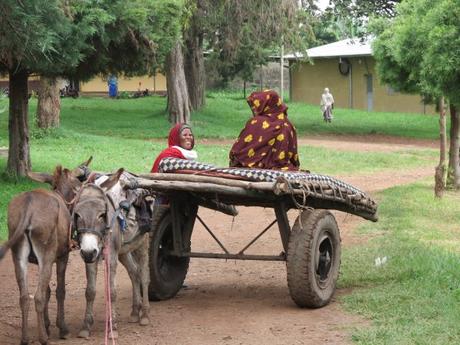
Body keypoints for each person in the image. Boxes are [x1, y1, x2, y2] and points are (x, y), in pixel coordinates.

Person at [229, 89, 300, 171]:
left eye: (257, 106)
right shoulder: (289, 125)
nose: (254, 110)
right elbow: (294, 157)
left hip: (252, 167)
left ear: (265, 105)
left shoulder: (256, 122)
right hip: (283, 168)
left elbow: (238, 150)